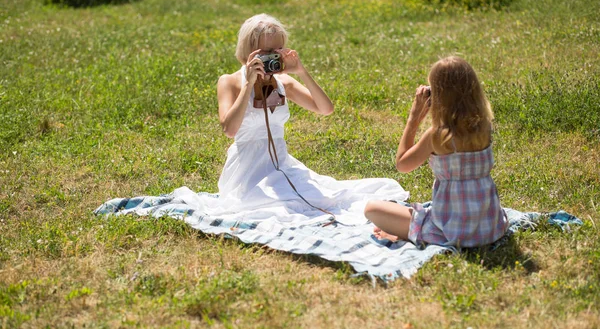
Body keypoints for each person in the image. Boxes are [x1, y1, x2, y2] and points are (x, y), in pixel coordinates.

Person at [168, 13, 408, 225]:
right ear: (248, 51)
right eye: (266, 53)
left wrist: (301, 71)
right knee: (278, 207)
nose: (273, 58)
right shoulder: (229, 82)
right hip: (248, 172)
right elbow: (229, 129)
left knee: (325, 197)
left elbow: (325, 109)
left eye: (278, 51)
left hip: (281, 164)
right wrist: (248, 84)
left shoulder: (284, 83)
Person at [364, 56, 508, 247]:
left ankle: (404, 234)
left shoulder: (438, 135)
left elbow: (402, 164)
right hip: (489, 226)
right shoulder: (485, 126)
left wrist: (413, 118)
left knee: (371, 208)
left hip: (450, 230)